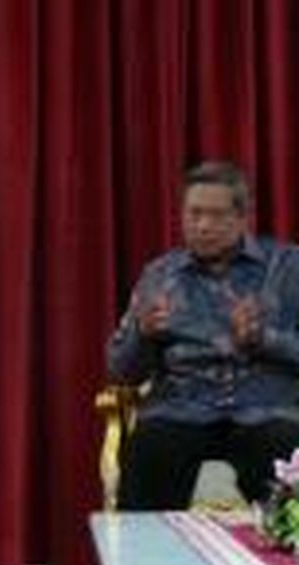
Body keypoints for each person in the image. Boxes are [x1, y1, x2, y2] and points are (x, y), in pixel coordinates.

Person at [109, 161, 299, 509]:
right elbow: (121, 370)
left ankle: (281, 561)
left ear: (243, 218)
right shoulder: (160, 274)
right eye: (194, 214)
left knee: (283, 450)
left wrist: (265, 339)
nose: (203, 225)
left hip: (265, 411)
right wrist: (143, 333)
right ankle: (151, 562)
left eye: (216, 215)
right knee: (150, 448)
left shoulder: (287, 268)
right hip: (182, 409)